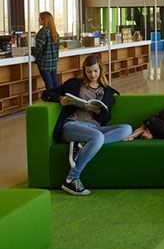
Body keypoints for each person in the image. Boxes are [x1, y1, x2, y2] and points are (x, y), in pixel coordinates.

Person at [42, 54, 132, 196]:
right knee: (98, 137)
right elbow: (46, 93)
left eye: (95, 71)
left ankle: (83, 145)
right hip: (72, 125)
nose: (92, 75)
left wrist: (97, 111)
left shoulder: (107, 91)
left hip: (94, 127)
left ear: (100, 70)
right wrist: (60, 99)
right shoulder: (74, 84)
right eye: (89, 71)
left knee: (126, 129)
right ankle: (72, 178)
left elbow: (106, 118)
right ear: (84, 71)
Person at [33, 11, 60, 90]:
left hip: (44, 62)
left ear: (44, 20)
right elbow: (57, 47)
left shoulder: (42, 32)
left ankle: (51, 99)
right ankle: (58, 98)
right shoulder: (55, 32)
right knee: (55, 82)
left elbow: (38, 48)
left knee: (48, 84)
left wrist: (33, 53)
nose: (38, 20)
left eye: (40, 19)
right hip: (54, 62)